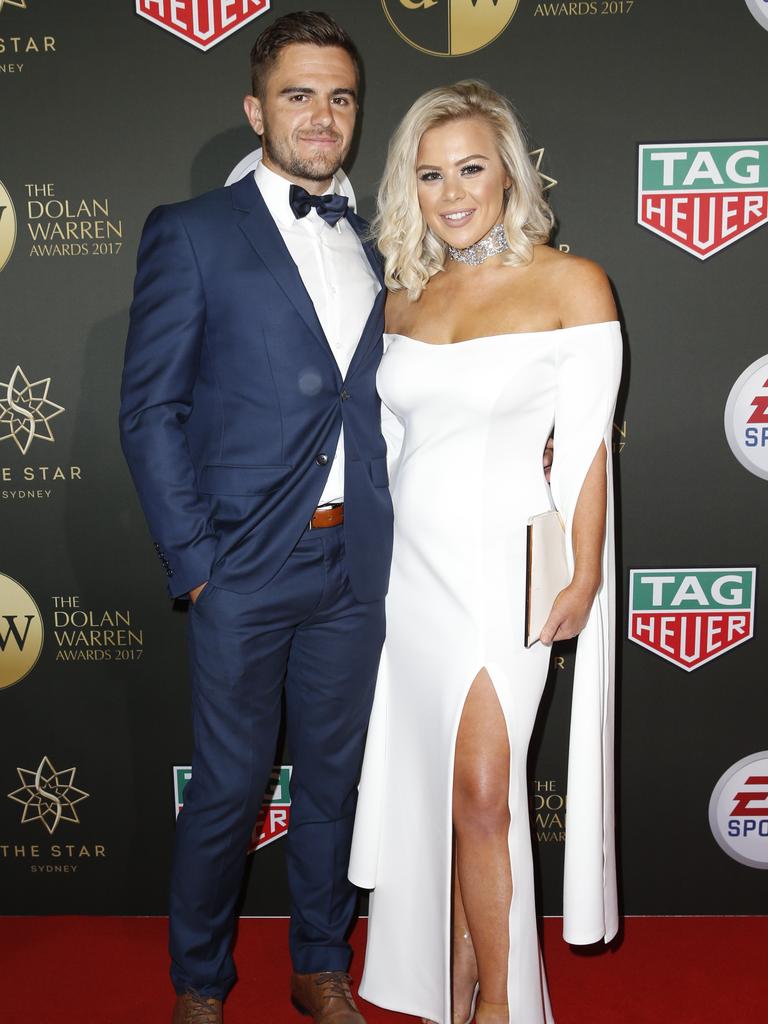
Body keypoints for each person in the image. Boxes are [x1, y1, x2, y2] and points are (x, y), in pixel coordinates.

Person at [120, 12, 390, 1024]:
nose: (321, 115)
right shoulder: (190, 231)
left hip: (355, 569)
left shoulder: (382, 236)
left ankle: (320, 962)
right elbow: (150, 409)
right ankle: (200, 982)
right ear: (254, 108)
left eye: (340, 96)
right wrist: (197, 563)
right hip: (241, 568)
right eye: (297, 94)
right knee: (228, 793)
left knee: (331, 785)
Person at [348, 81, 622, 1024]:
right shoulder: (402, 299)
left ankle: (502, 1009)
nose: (453, 191)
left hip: (509, 569)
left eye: (471, 168)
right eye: (430, 174)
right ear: (408, 187)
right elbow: (384, 454)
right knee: (452, 802)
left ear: (509, 171)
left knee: (484, 794)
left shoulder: (571, 284)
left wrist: (584, 575)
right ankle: (457, 987)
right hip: (412, 580)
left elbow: (584, 452)